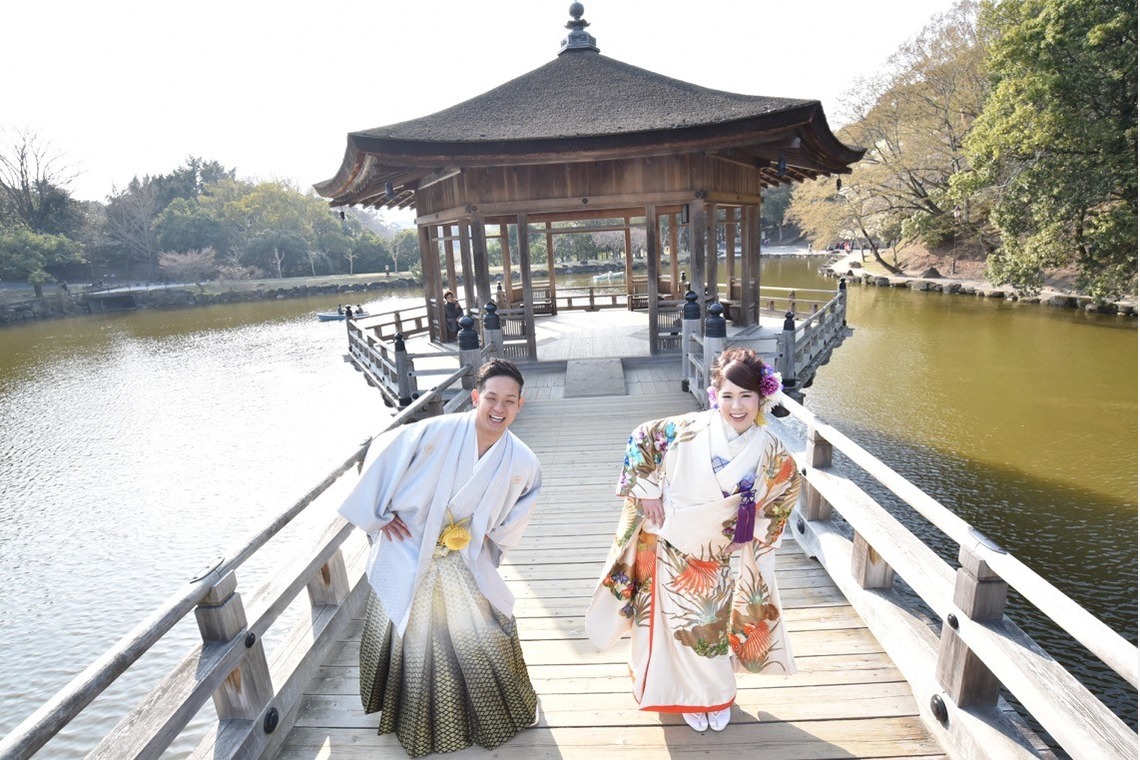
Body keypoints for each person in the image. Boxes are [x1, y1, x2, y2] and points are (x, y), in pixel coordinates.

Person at [585, 348, 801, 733]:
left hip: (714, 551)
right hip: (667, 540)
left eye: (746, 396)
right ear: (715, 394)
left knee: (708, 627)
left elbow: (786, 489)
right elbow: (641, 438)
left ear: (761, 398)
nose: (737, 406)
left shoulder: (769, 449)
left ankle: (713, 695)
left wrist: (752, 530)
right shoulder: (686, 428)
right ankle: (679, 694)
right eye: (729, 395)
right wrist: (647, 491)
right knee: (666, 625)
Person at [338, 358, 542, 757]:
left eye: (509, 401)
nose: (498, 408)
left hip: (464, 557)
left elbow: (517, 513)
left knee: (484, 633)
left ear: (520, 404)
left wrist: (486, 541)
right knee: (412, 640)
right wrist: (380, 515)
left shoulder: (523, 462)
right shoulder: (433, 432)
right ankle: (417, 718)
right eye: (491, 398)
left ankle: (495, 710)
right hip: (411, 549)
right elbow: (381, 452)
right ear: (474, 397)